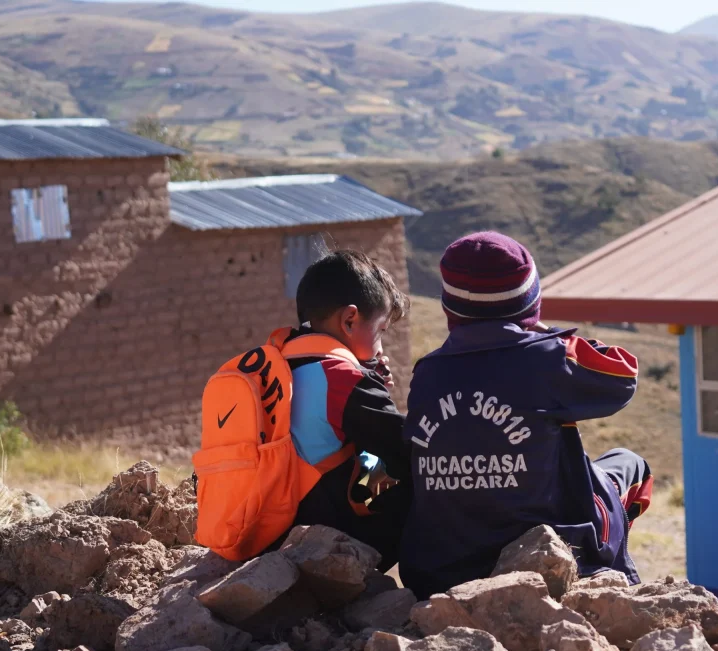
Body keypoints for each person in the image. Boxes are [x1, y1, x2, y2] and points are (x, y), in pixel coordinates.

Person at [398, 231, 654, 599]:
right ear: (529, 301)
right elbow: (622, 375)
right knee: (632, 467)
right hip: (541, 560)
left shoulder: (427, 372)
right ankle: (613, 581)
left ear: (449, 307)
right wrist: (546, 333)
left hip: (442, 570)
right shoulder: (547, 357)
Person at [278, 248, 412, 569]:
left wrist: (372, 383)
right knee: (425, 472)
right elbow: (404, 445)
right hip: (322, 539)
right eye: (381, 331)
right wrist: (370, 385)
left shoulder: (282, 364)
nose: (381, 347)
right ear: (350, 320)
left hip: (270, 528)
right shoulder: (343, 379)